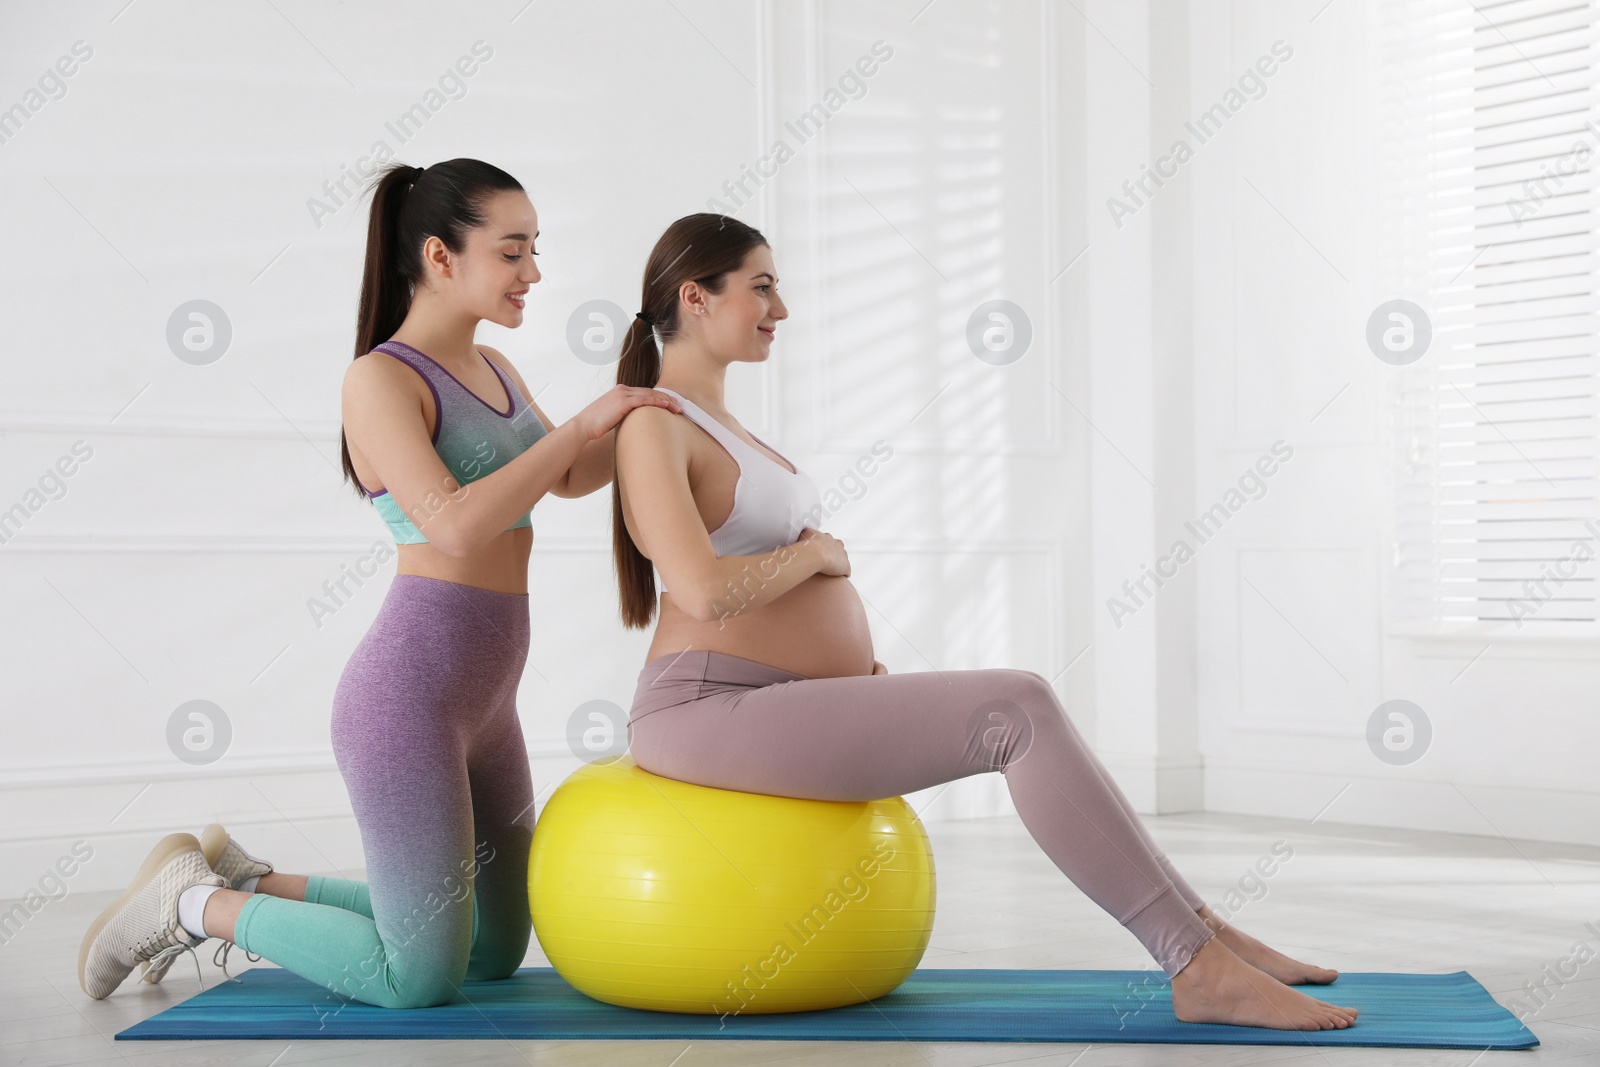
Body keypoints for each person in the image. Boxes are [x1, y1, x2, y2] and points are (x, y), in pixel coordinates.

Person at [610, 212, 1360, 1031]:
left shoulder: (727, 427)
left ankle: (1210, 936)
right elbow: (702, 589)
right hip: (702, 710)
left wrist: (842, 671)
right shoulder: (655, 424)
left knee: (1023, 700)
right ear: (696, 296)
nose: (780, 308)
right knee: (1016, 707)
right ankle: (1197, 965)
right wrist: (817, 559)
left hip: (766, 696)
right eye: (761, 286)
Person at [77, 158, 681, 1008]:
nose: (534, 272)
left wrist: (652, 413)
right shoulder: (381, 380)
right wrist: (583, 422)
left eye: (535, 249)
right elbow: (456, 522)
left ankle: (246, 876)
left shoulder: (498, 371)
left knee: (495, 950)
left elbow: (569, 474)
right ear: (441, 255)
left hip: (487, 704)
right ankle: (189, 901)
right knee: (420, 976)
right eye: (513, 252)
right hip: (408, 700)